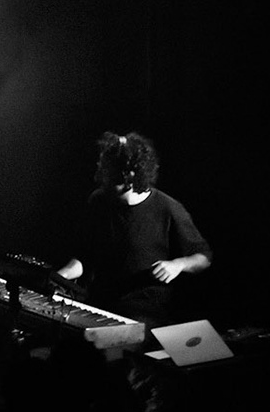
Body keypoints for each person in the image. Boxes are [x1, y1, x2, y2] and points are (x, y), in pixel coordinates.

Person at [52, 131, 211, 328]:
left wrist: (178, 264)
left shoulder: (168, 208)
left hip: (144, 315)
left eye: (106, 170)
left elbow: (203, 257)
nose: (98, 175)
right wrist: (57, 278)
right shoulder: (98, 201)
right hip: (99, 306)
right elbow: (85, 258)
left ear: (129, 175)